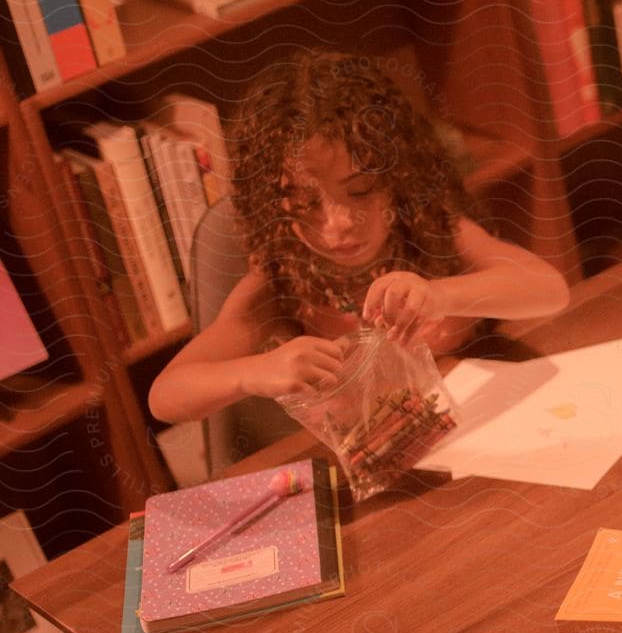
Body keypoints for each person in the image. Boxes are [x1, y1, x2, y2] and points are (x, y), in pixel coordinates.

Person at [149, 51, 571, 423]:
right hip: (383, 460)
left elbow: (549, 290)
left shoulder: (428, 232)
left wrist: (440, 295)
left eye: (360, 191)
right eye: (304, 204)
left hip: (496, 424)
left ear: (395, 174)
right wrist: (255, 372)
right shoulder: (284, 283)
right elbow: (165, 397)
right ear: (273, 203)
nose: (337, 225)